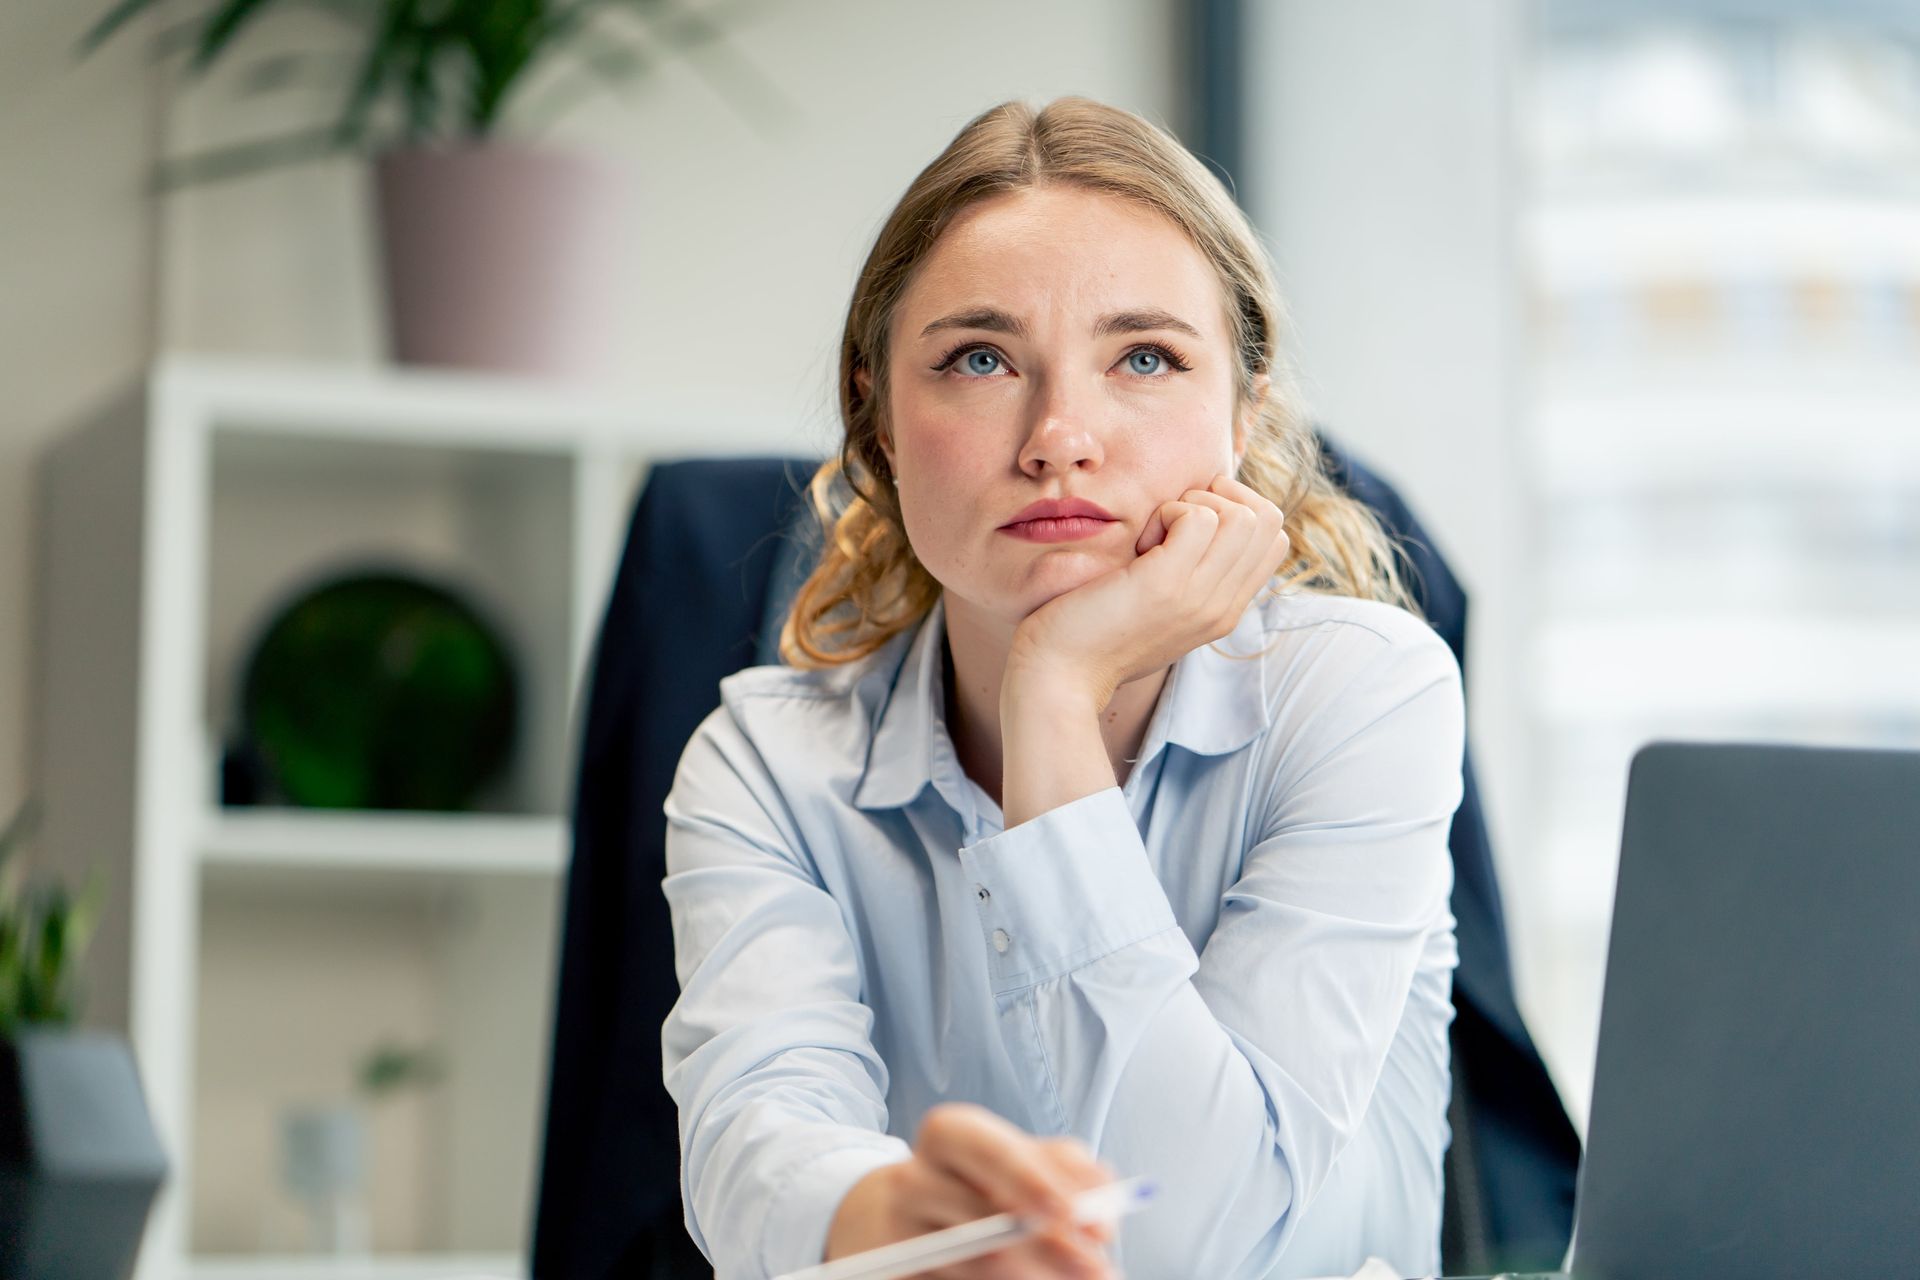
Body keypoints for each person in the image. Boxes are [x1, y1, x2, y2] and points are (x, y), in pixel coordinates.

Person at [661, 97, 1465, 1280]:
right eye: (980, 359)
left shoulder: (1362, 692)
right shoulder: (770, 765)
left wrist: (1054, 693)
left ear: (1243, 414)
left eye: (1145, 356)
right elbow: (755, 1159)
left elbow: (1204, 1237)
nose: (1059, 436)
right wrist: (894, 1217)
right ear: (877, 417)